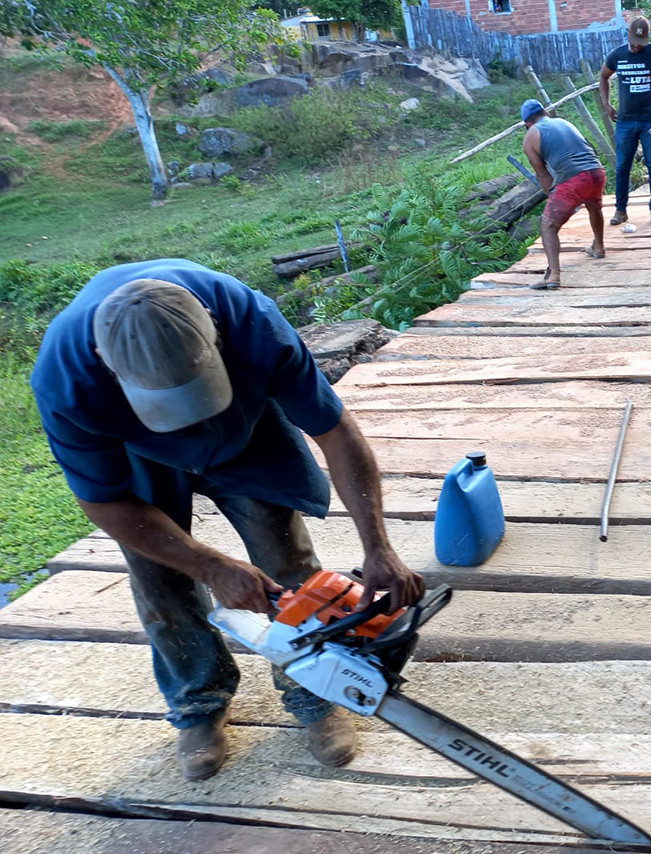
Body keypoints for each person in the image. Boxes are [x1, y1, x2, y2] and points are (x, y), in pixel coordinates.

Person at [28, 259, 426, 781]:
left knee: (286, 560)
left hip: (245, 429)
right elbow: (103, 502)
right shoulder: (65, 381)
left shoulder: (251, 321)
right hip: (137, 455)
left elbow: (335, 431)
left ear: (215, 331)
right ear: (105, 360)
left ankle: (313, 696)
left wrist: (377, 545)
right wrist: (211, 566)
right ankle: (199, 704)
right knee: (160, 575)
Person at [520, 98, 607, 289]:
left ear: (527, 123)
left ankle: (553, 276)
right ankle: (598, 247)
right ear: (546, 113)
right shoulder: (564, 122)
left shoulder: (530, 137)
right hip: (596, 171)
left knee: (548, 226)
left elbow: (542, 174)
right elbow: (589, 148)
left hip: (573, 179)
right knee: (594, 206)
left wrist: (553, 196)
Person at [599, 17, 651, 227]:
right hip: (625, 121)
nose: (637, 46)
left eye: (641, 42)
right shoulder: (617, 55)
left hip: (650, 120)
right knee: (622, 167)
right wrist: (607, 104)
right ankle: (621, 210)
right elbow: (603, 76)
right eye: (633, 41)